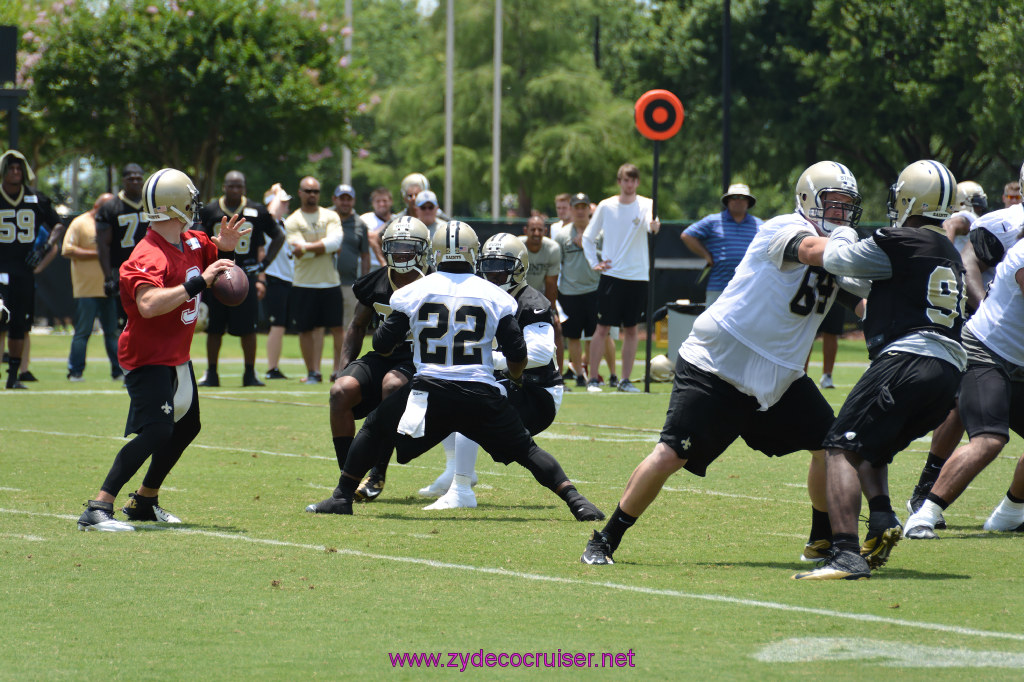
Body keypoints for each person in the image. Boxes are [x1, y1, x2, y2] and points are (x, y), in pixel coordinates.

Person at [579, 160, 866, 567]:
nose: (839, 213)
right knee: (672, 454)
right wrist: (857, 249)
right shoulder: (783, 228)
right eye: (832, 203)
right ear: (807, 200)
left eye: (845, 206)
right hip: (719, 364)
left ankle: (822, 540)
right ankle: (605, 539)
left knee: (829, 445)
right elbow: (811, 252)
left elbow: (861, 297)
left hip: (779, 376)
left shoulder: (842, 251)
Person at [308, 222, 604, 522]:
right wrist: (513, 378)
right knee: (526, 450)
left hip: (428, 392)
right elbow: (518, 353)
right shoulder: (495, 295)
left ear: (434, 254)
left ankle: (343, 496)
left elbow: (383, 343)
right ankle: (576, 500)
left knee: (373, 428)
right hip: (479, 393)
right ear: (474, 255)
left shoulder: (414, 291)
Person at [794, 160, 966, 580]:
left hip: (909, 357)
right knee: (870, 447)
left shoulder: (899, 239)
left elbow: (838, 258)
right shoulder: (945, 249)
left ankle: (845, 553)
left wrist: (841, 231)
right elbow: (875, 284)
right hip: (949, 373)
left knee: (839, 447)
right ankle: (884, 518)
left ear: (910, 198)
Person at [76, 168, 249, 531]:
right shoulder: (147, 255)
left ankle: (145, 500)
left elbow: (218, 262)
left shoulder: (193, 241)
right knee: (157, 431)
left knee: (187, 427)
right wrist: (198, 282)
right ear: (177, 205)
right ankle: (98, 506)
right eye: (190, 200)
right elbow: (149, 304)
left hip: (176, 355)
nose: (196, 205)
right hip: (147, 356)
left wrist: (227, 248)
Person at [905, 161, 1024, 518]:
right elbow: (966, 261)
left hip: (1014, 335)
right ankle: (927, 493)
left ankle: (1011, 511)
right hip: (987, 328)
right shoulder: (1005, 223)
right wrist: (982, 302)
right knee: (963, 409)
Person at [418, 233, 566, 508]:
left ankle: (461, 490)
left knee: (470, 399)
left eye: (502, 267)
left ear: (519, 267)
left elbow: (541, 354)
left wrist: (489, 359)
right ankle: (457, 471)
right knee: (448, 388)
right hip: (507, 384)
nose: (494, 274)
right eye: (489, 266)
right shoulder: (480, 297)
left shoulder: (531, 303)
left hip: (536, 391)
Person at [305, 216, 432, 514]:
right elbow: (357, 325)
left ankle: (377, 471)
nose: (401, 254)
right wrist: (345, 367)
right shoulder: (376, 280)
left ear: (422, 250)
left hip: (417, 359)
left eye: (408, 247)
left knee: (392, 386)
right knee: (341, 391)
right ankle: (349, 471)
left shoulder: (433, 283)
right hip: (382, 355)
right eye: (395, 247)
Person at [196, 171, 285, 387]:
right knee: (214, 328)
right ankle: (212, 373)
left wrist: (263, 266)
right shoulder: (210, 210)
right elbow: (197, 238)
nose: (235, 190)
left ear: (244, 188)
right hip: (217, 276)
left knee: (249, 328)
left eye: (239, 186)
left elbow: (279, 236)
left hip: (245, 277)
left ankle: (249, 373)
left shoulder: (257, 210)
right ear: (224, 186)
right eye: (231, 186)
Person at [582, 163, 659, 393]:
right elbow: (588, 237)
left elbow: (651, 225)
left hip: (638, 276)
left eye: (633, 180)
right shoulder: (606, 206)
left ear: (638, 182)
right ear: (619, 181)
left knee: (632, 329)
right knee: (602, 328)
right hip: (612, 275)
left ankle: (625, 380)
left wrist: (655, 226)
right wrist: (594, 263)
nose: (630, 184)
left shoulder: (647, 204)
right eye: (626, 179)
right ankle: (593, 379)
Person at [0, 150, 65, 390]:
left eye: (19, 168)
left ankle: (13, 375)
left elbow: (58, 224)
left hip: (23, 271)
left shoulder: (36, 199)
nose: (15, 172)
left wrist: (44, 248)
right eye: (11, 168)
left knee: (19, 324)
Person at [284, 176, 343, 384]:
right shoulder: (292, 220)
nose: (312, 195)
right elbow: (296, 250)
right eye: (308, 191)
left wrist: (308, 247)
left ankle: (339, 370)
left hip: (330, 282)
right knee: (305, 330)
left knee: (338, 328)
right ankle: (312, 372)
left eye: (315, 191)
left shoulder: (331, 216)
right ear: (300, 193)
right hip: (303, 283)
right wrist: (324, 247)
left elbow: (335, 242)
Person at [61, 192, 122, 382]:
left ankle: (118, 371)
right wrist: (99, 253)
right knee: (83, 332)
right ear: (99, 206)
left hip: (108, 287)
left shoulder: (111, 223)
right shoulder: (80, 223)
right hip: (86, 288)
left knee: (112, 333)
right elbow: (67, 249)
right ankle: (75, 371)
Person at [681, 183, 763, 305]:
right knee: (712, 323)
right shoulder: (713, 221)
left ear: (748, 202)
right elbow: (687, 235)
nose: (738, 201)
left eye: (742, 198)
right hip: (718, 285)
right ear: (728, 201)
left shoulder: (759, 224)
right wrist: (706, 255)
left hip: (749, 286)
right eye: (734, 197)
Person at [555, 193, 601, 388]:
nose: (580, 211)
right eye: (577, 207)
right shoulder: (562, 235)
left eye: (584, 207)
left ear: (589, 209)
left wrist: (589, 247)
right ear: (571, 210)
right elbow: (557, 265)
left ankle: (592, 374)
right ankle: (579, 374)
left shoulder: (600, 233)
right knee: (573, 336)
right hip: (570, 292)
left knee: (594, 335)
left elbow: (608, 259)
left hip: (595, 290)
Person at [95, 163, 148, 329]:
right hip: (123, 270)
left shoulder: (152, 204)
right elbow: (103, 245)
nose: (135, 181)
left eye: (138, 178)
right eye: (130, 178)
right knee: (125, 323)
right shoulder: (110, 208)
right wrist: (108, 277)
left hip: (152, 268)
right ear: (123, 180)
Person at [330, 183, 370, 379]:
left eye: (348, 198)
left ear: (353, 200)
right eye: (341, 198)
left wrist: (362, 282)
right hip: (325, 281)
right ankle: (315, 371)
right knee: (324, 327)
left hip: (349, 284)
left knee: (347, 328)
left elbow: (365, 255)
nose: (345, 202)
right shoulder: (326, 218)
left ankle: (340, 369)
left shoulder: (360, 223)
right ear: (334, 199)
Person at [261, 183, 294, 379]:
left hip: (287, 278)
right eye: (282, 202)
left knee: (281, 325)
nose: (286, 205)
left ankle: (274, 367)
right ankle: (272, 368)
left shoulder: (285, 223)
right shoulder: (267, 223)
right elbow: (271, 213)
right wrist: (275, 193)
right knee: (277, 324)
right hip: (274, 277)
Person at [361, 186, 394, 269]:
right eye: (378, 201)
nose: (381, 204)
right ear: (372, 203)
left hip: (395, 267)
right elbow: (370, 238)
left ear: (391, 202)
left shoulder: (397, 220)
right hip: (371, 266)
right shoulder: (365, 219)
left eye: (385, 201)